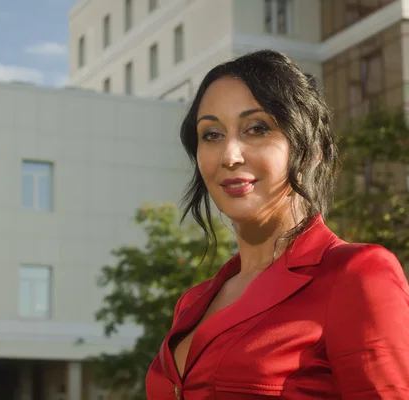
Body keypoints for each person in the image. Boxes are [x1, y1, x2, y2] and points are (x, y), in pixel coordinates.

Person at [145, 50, 409, 399]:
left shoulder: (357, 275)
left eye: (257, 128)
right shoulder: (192, 303)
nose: (229, 155)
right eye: (211, 134)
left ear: (310, 151)